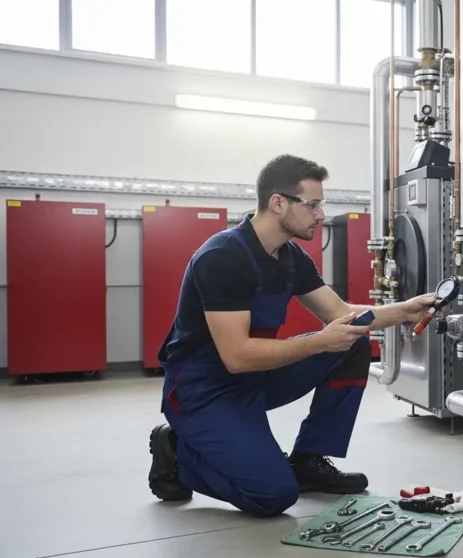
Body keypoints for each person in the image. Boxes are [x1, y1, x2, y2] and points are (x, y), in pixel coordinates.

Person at [147, 154, 435, 517]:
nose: (320, 214)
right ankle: (177, 449)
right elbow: (236, 356)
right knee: (273, 496)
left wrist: (405, 309)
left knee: (351, 342)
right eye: (312, 204)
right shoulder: (222, 257)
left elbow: (341, 314)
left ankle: (308, 460)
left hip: (253, 380)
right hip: (203, 390)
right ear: (278, 203)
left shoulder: (290, 256)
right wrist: (317, 342)